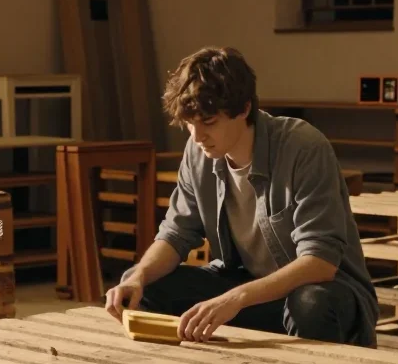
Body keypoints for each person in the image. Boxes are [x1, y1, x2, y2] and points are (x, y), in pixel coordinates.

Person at [104, 46, 379, 346]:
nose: (197, 137)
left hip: (322, 294)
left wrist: (236, 298)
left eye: (208, 122)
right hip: (244, 289)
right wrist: (138, 276)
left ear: (244, 108)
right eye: (189, 124)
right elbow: (175, 235)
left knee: (310, 303)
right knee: (149, 286)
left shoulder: (303, 148)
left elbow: (320, 263)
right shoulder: (198, 153)